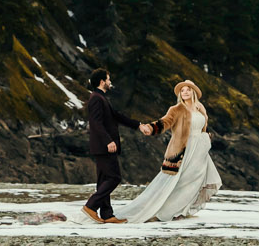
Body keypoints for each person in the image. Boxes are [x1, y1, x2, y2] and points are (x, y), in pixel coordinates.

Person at [114, 79, 222, 224]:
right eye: (182, 90)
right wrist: (150, 128)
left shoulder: (200, 107)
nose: (185, 92)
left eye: (188, 89)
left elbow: (203, 125)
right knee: (180, 181)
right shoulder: (176, 109)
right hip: (184, 149)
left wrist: (207, 136)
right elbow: (165, 122)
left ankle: (182, 210)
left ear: (193, 92)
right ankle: (166, 212)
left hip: (200, 149)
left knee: (195, 181)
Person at [81, 68, 152, 224]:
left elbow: (117, 116)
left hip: (102, 146)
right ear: (102, 81)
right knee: (114, 177)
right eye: (108, 79)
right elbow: (96, 123)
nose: (110, 82)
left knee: (103, 180)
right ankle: (90, 206)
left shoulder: (102, 98)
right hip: (104, 146)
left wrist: (139, 125)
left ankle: (107, 214)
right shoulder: (96, 99)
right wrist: (108, 141)